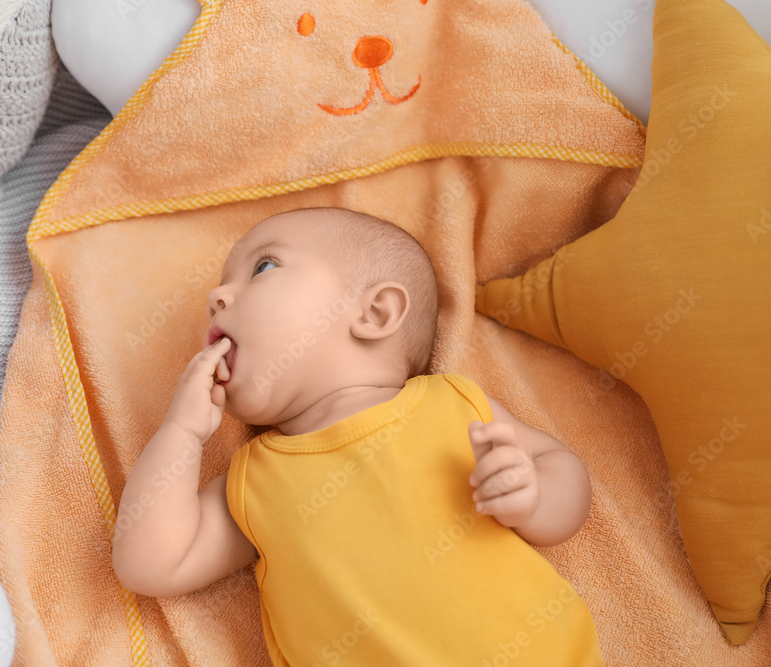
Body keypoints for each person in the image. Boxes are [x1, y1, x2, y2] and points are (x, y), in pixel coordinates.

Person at [111, 206, 602, 665]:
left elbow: (564, 470)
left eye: (262, 268)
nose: (215, 299)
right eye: (221, 290)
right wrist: (182, 432)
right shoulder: (252, 480)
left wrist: (533, 500)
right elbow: (150, 565)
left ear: (375, 313)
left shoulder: (452, 404)